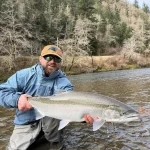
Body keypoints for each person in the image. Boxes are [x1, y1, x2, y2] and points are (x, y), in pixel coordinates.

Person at [0, 45, 95, 150]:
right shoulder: (24, 75)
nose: (52, 61)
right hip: (26, 121)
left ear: (60, 62)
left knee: (55, 114)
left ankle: (54, 142)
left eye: (57, 59)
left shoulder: (65, 83)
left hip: (51, 124)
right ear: (40, 58)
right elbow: (2, 92)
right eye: (48, 57)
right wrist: (17, 100)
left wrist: (84, 118)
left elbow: (71, 107)